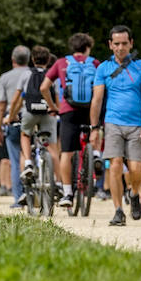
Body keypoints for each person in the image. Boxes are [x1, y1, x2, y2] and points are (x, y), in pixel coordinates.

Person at [90, 25, 141, 226]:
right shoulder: (103, 68)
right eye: (116, 43)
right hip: (113, 123)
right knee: (116, 165)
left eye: (124, 43)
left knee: (136, 168)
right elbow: (97, 100)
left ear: (131, 44)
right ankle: (118, 210)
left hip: (137, 124)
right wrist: (94, 128)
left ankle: (134, 194)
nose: (120, 47)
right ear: (110, 45)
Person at [42, 33, 100, 208]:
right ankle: (95, 154)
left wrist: (53, 106)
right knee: (95, 131)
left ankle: (67, 193)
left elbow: (43, 87)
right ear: (88, 48)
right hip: (90, 110)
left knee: (66, 153)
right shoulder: (95, 63)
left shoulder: (61, 63)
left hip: (68, 111)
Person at [6, 45, 61, 199]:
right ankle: (60, 183)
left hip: (30, 112)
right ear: (48, 60)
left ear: (32, 59)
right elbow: (57, 99)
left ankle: (29, 162)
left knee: (25, 134)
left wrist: (11, 116)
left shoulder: (26, 74)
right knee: (52, 148)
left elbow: (17, 98)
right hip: (48, 113)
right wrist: (56, 110)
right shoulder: (52, 75)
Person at [0, 46, 32, 208]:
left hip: (13, 120)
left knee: (15, 160)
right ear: (29, 59)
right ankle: (34, 194)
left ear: (13, 60)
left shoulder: (5, 78)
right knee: (30, 157)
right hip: (32, 118)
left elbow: (1, 106)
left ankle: (19, 198)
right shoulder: (33, 74)